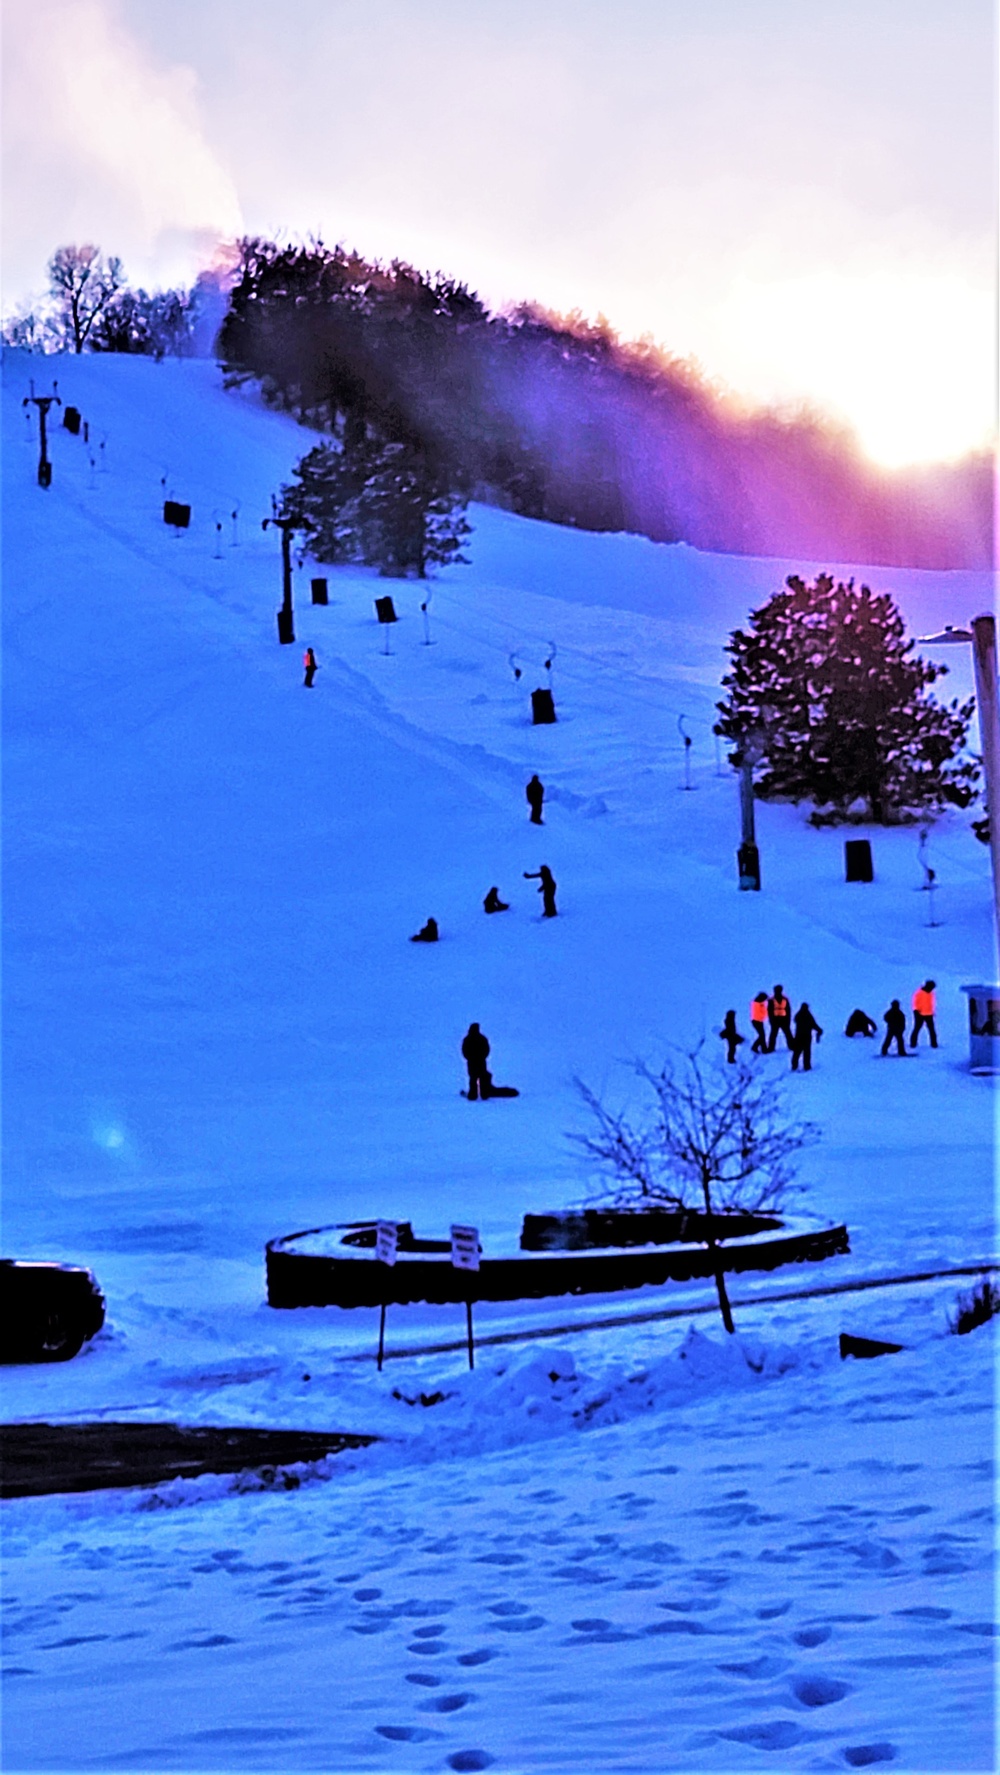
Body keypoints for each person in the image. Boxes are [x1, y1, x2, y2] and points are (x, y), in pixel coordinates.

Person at [461, 1022, 491, 1100]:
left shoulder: (467, 1039)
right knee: (482, 1078)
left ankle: (473, 1095)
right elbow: (487, 1050)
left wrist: (469, 1058)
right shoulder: (482, 1038)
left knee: (473, 1078)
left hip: (472, 1062)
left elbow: (464, 1050)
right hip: (481, 1061)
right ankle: (484, 1095)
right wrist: (482, 1057)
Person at [790, 1002, 823, 1071]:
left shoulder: (798, 1015)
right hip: (807, 1037)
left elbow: (794, 1020)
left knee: (797, 1052)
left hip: (798, 1037)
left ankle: (794, 1066)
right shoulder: (809, 1016)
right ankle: (807, 1066)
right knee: (807, 1052)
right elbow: (814, 1025)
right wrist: (819, 1030)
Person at [910, 979, 938, 1048]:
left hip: (929, 1014)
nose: (932, 989)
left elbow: (931, 1003)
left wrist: (932, 1011)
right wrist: (916, 1011)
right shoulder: (919, 993)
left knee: (932, 1030)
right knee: (917, 1028)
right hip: (919, 1014)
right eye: (932, 987)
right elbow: (915, 1003)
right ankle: (913, 1043)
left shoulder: (931, 993)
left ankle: (934, 1044)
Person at [767, 984, 793, 1051]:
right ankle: (771, 1048)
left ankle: (792, 1046)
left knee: (788, 1034)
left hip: (784, 1020)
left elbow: (788, 1010)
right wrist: (771, 1021)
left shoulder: (785, 999)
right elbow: (769, 1011)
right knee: (773, 1035)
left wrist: (788, 1020)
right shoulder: (771, 1000)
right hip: (775, 1020)